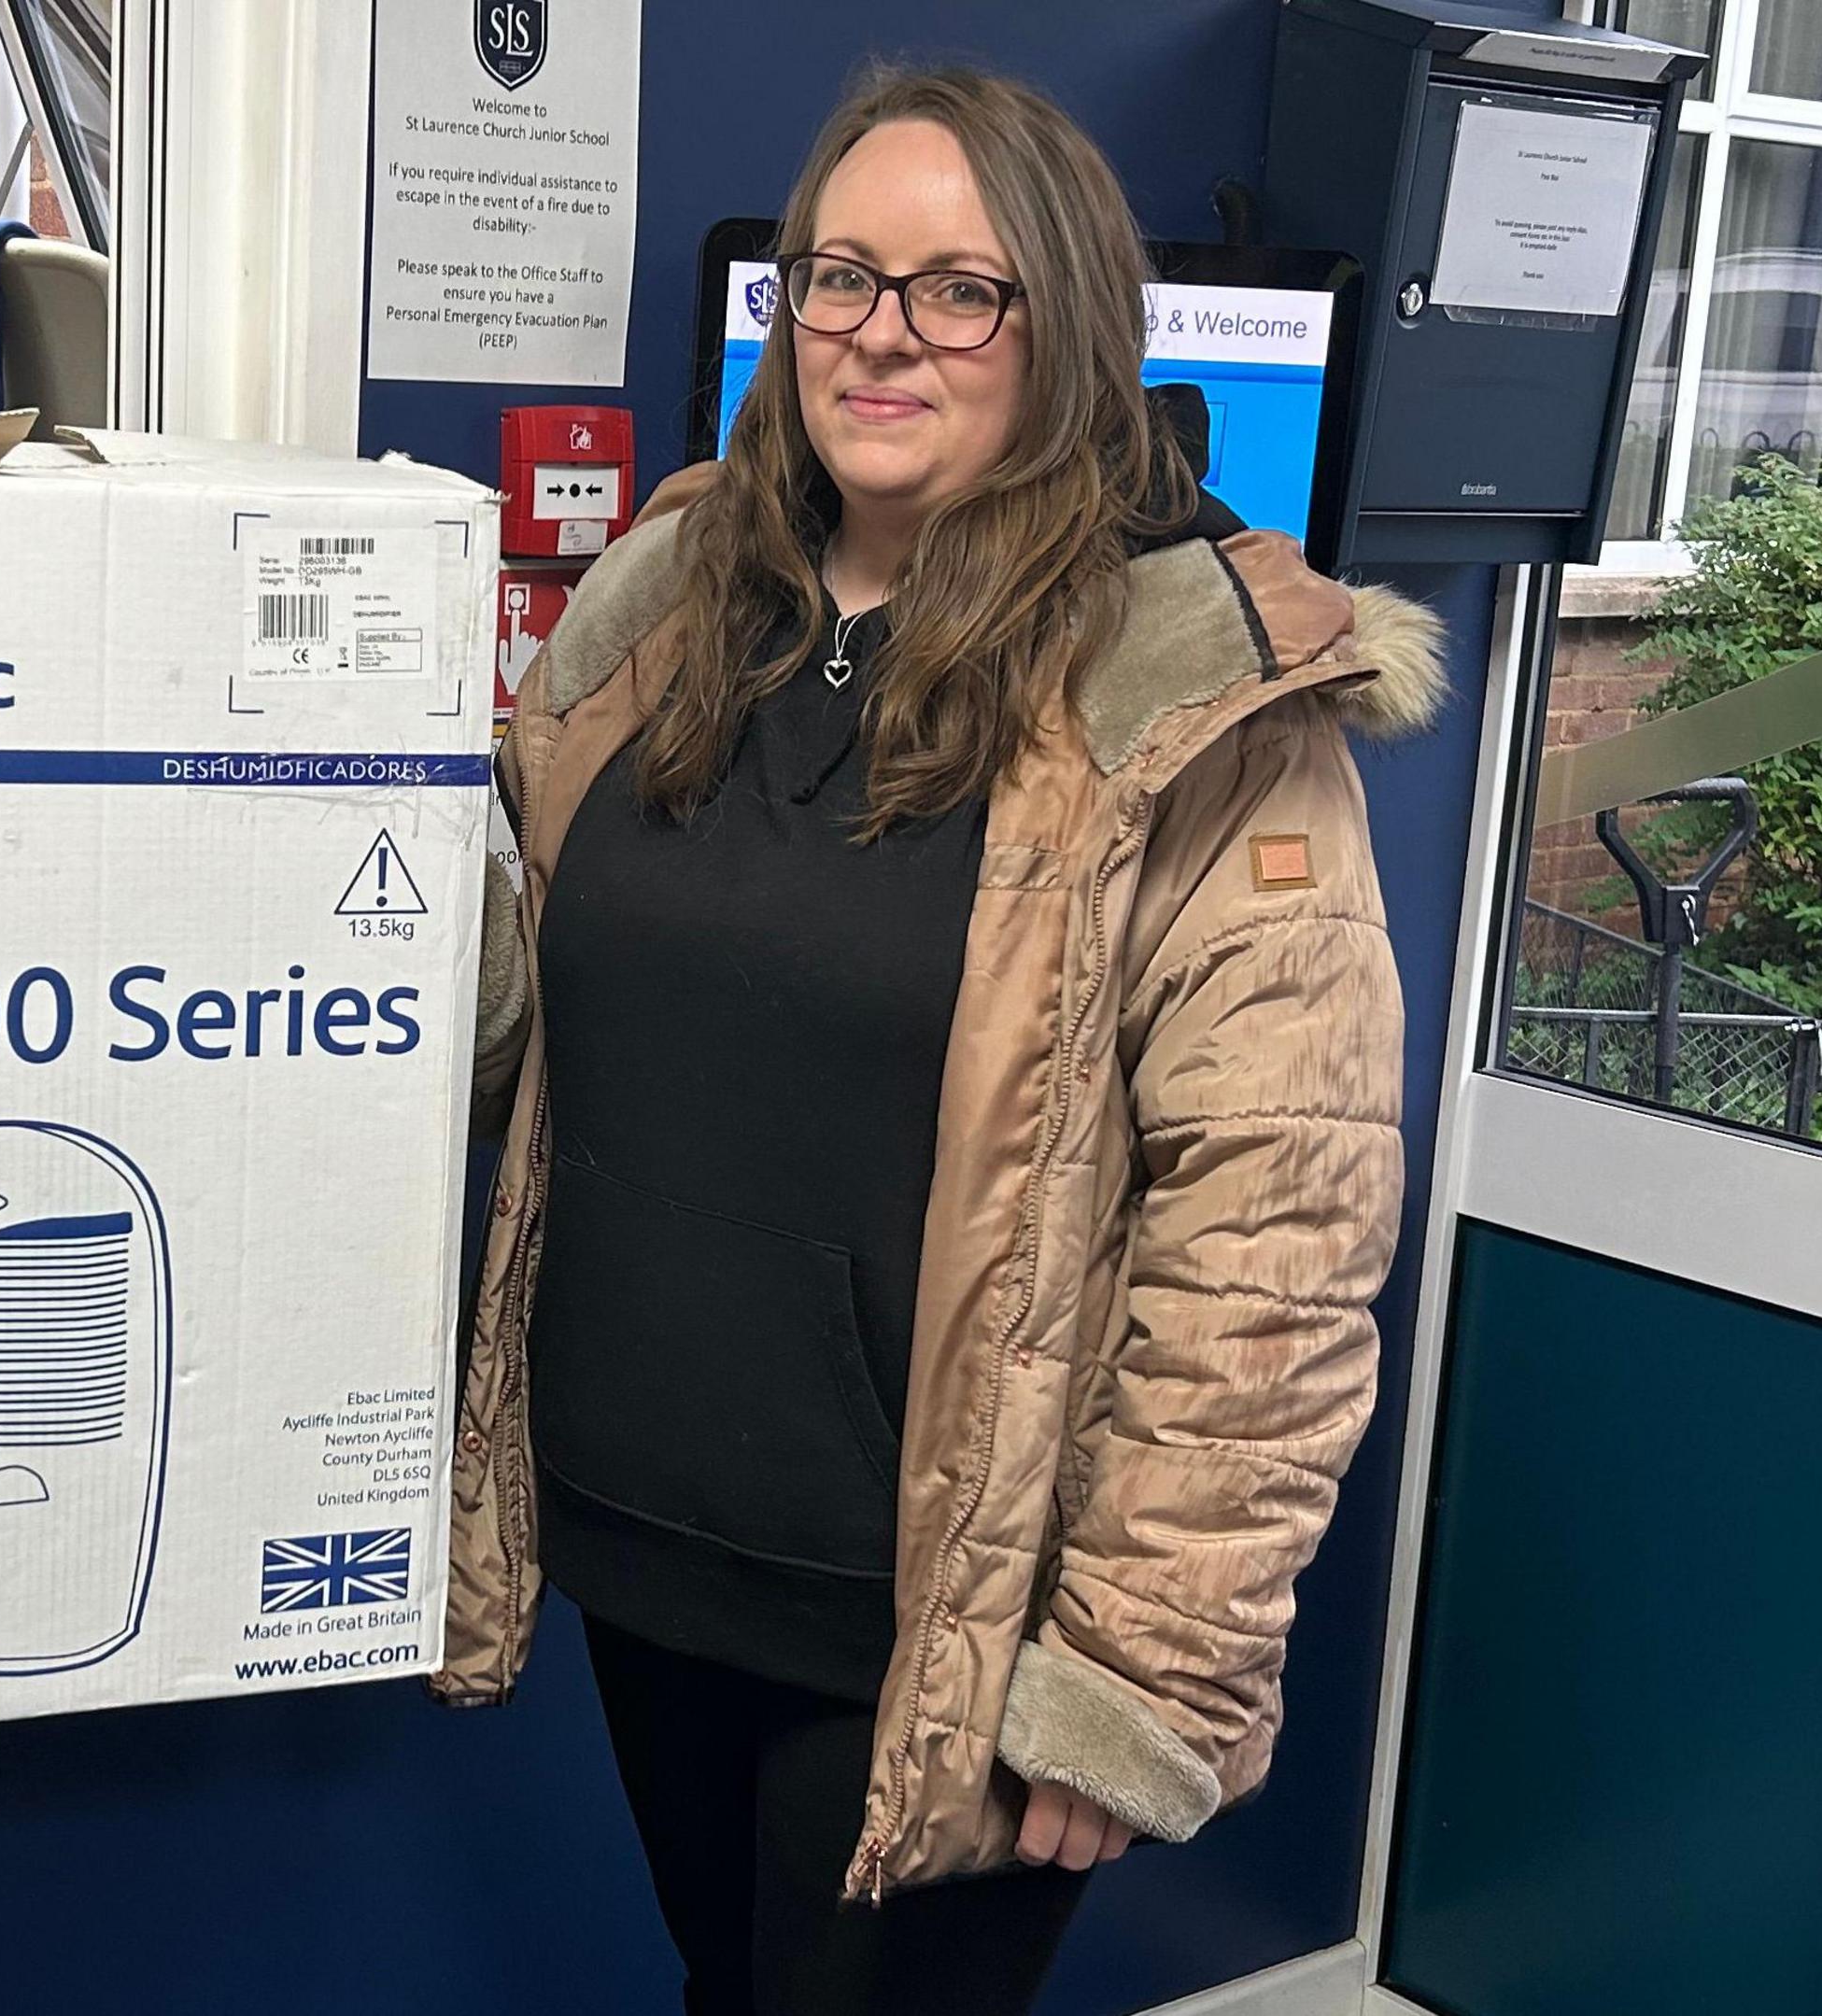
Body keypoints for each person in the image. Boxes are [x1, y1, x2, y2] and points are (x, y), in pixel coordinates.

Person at [437, 63, 1445, 2016]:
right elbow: (517, 980)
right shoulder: (668, 595)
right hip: (645, 1544)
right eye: (840, 275)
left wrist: (1141, 1665)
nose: (882, 330)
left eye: (959, 287)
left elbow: (1279, 1230)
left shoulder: (1192, 693)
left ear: (1063, 326)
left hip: (936, 1618)